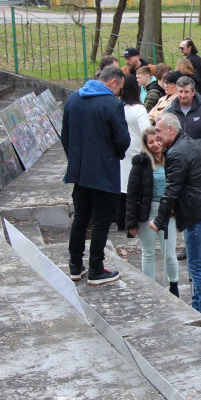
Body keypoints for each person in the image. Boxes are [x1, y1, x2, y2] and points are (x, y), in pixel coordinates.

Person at [151, 114, 201, 330]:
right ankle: (198, 309)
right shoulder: (186, 143)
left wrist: (159, 219)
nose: (156, 135)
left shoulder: (176, 153)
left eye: (159, 131)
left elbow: (171, 189)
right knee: (195, 266)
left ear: (171, 130)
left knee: (197, 267)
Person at [62, 65, 130, 285]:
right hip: (104, 171)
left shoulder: (73, 99)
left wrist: (75, 160)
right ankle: (96, 269)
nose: (118, 92)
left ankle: (75, 265)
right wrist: (116, 155)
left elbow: (65, 136)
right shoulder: (112, 103)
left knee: (80, 218)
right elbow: (122, 139)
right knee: (101, 220)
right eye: (119, 87)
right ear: (113, 82)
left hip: (80, 172)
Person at [127, 127, 180, 296]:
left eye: (158, 140)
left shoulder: (172, 158)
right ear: (146, 144)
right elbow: (132, 193)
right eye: (151, 142)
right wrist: (131, 222)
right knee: (148, 253)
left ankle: (174, 285)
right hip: (147, 212)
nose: (156, 144)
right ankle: (150, 287)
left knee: (170, 254)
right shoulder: (141, 162)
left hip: (168, 212)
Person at [165, 76, 201, 181]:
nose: (183, 95)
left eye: (186, 92)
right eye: (180, 91)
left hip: (200, 163)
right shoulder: (168, 111)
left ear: (193, 92)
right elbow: (161, 136)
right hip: (175, 164)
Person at [118, 75, 152, 232]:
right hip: (137, 151)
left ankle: (122, 221)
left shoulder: (119, 106)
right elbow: (146, 131)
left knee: (124, 186)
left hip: (123, 150)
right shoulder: (139, 109)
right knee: (136, 187)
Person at [179, 38, 201, 102]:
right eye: (179, 48)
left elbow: (196, 78)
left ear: (189, 48)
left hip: (198, 96)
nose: (180, 50)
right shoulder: (198, 58)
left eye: (182, 48)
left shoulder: (190, 61)